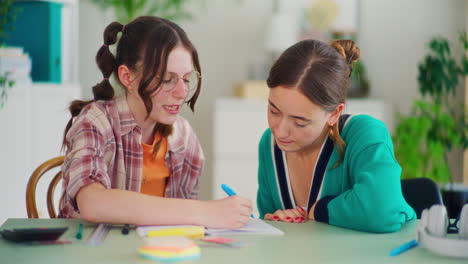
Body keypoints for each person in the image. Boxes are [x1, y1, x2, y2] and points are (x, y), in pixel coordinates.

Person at [59, 16, 252, 229]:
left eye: (186, 79)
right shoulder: (96, 122)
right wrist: (205, 211)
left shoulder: (183, 137)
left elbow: (182, 226)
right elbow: (92, 203)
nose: (181, 93)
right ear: (127, 77)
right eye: (166, 79)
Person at [257, 39, 415, 232]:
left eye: (299, 122)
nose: (279, 131)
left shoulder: (365, 134)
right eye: (274, 111)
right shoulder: (269, 145)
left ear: (333, 114)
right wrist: (275, 221)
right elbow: (268, 220)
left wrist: (319, 210)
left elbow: (382, 211)